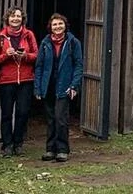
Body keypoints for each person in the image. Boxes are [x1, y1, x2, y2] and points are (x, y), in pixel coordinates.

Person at [33, 13, 83, 162]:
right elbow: (39, 66)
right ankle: (50, 149)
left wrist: (74, 85)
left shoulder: (73, 42)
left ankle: (62, 149)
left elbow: (78, 65)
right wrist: (38, 87)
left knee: (61, 118)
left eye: (60, 24)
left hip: (65, 85)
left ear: (65, 25)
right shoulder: (45, 43)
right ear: (50, 27)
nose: (58, 27)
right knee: (50, 119)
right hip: (48, 85)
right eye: (55, 24)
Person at [0, 6, 38, 157]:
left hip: (25, 79)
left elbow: (36, 55)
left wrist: (25, 57)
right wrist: (6, 55)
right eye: (12, 16)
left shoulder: (29, 35)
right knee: (6, 114)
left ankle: (18, 143)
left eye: (18, 16)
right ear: (7, 19)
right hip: (6, 81)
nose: (15, 19)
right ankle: (7, 145)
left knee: (22, 113)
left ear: (22, 19)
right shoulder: (0, 37)